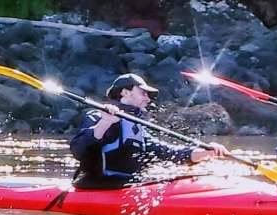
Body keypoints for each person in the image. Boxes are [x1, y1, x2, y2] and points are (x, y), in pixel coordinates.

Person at [69, 73, 226, 189]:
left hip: (127, 184)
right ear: (125, 92)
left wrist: (205, 152)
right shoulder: (99, 115)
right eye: (143, 93)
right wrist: (104, 123)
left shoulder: (136, 125)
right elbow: (78, 150)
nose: (148, 98)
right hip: (98, 186)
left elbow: (166, 151)